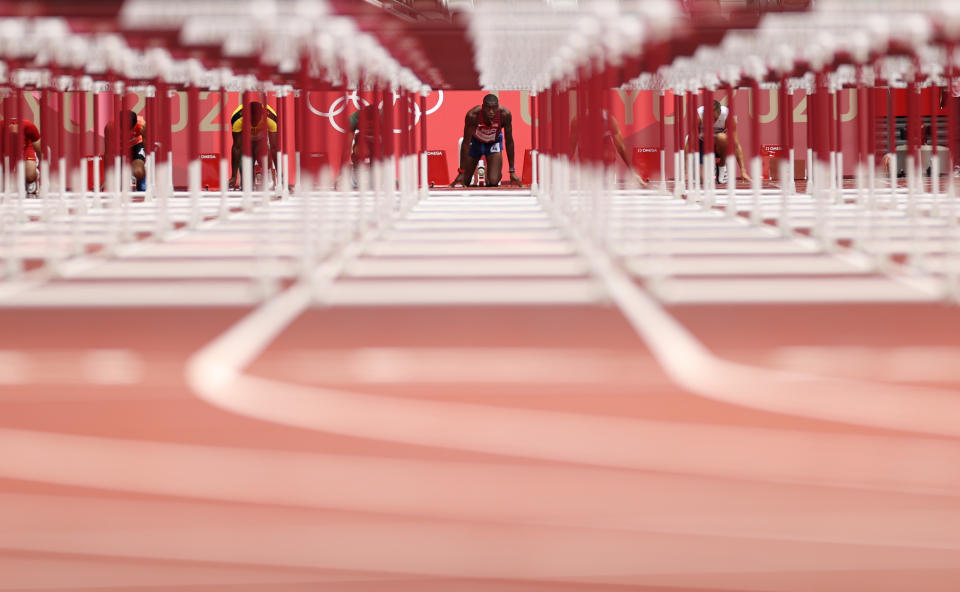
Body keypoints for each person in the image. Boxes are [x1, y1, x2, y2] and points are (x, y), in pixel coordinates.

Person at [450, 94, 522, 187]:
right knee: (464, 181)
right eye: (488, 108)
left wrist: (512, 170)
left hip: (493, 143)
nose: (491, 112)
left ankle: (491, 169)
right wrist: (461, 171)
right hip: (476, 143)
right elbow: (466, 143)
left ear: (498, 107)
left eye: (494, 108)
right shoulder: (472, 115)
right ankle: (475, 171)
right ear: (483, 107)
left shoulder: (505, 114)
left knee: (493, 181)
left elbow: (509, 141)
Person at [570, 109, 648, 186]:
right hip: (586, 159)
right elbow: (571, 147)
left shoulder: (610, 121)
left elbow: (620, 147)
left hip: (606, 159)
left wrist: (633, 172)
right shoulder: (577, 121)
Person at [695, 99, 750, 184]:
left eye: (715, 118)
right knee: (702, 180)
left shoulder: (727, 116)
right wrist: (686, 172)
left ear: (720, 113)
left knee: (723, 137)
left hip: (718, 146)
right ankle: (707, 165)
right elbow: (690, 140)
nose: (712, 122)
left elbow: (736, 144)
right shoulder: (698, 116)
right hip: (703, 145)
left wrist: (743, 170)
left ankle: (722, 165)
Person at [228, 101, 278, 189]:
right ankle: (244, 177)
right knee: (247, 182)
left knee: (264, 155)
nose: (255, 122)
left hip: (261, 139)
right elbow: (236, 147)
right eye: (252, 119)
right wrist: (233, 176)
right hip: (246, 139)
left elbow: (274, 147)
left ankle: (270, 176)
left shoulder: (271, 118)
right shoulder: (237, 118)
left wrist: (279, 172)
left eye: (257, 119)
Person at [103, 109, 146, 191]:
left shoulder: (142, 125)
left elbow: (147, 146)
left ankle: (142, 180)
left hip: (136, 145)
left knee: (138, 172)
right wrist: (106, 179)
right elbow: (108, 153)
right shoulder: (110, 127)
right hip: (118, 147)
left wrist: (142, 167)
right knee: (114, 178)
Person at [1, 117, 42, 193]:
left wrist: (43, 164)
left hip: (25, 149)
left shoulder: (29, 126)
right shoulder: (1, 128)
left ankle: (30, 180)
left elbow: (39, 148)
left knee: (30, 175)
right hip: (5, 151)